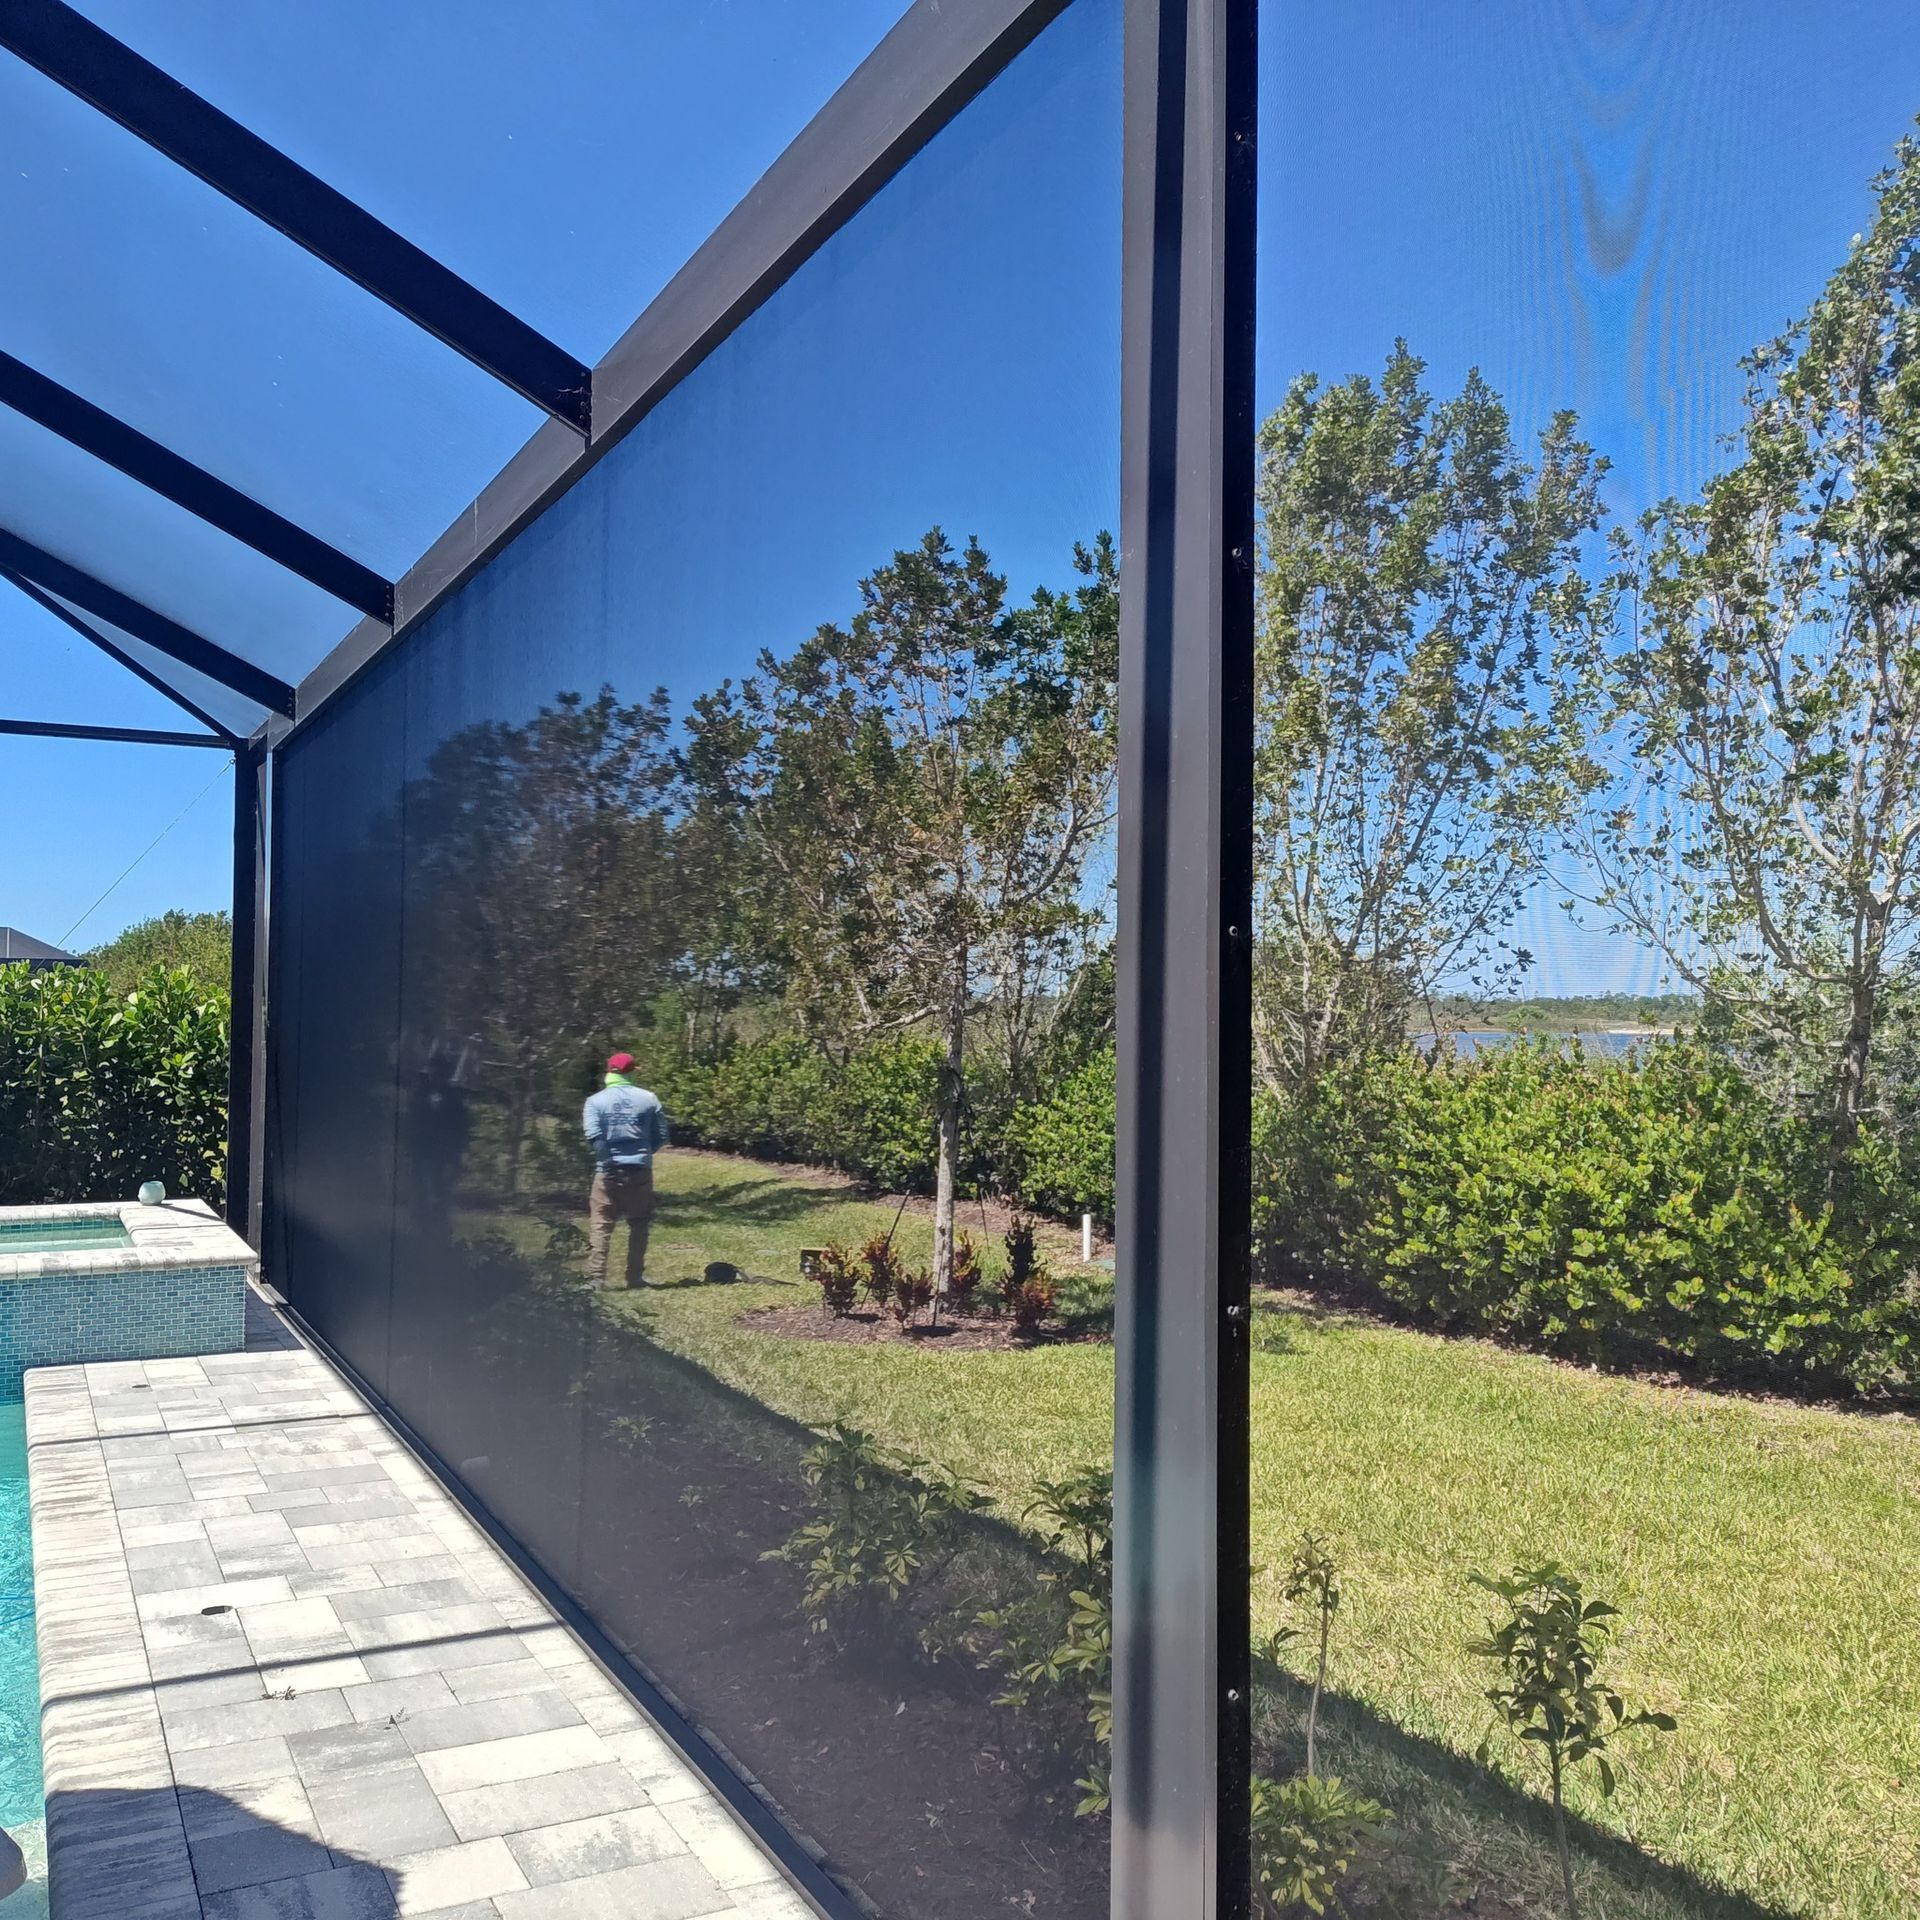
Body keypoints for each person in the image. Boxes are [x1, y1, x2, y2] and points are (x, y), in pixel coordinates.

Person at [582, 1051, 668, 1288]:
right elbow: (661, 1135)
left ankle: (595, 1278)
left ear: (609, 1071)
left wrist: (608, 1161)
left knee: (601, 1223)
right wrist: (643, 1154)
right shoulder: (649, 1099)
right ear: (631, 1073)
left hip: (607, 1171)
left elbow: (594, 1137)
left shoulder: (595, 1101)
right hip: (639, 1170)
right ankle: (635, 1277)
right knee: (639, 1223)